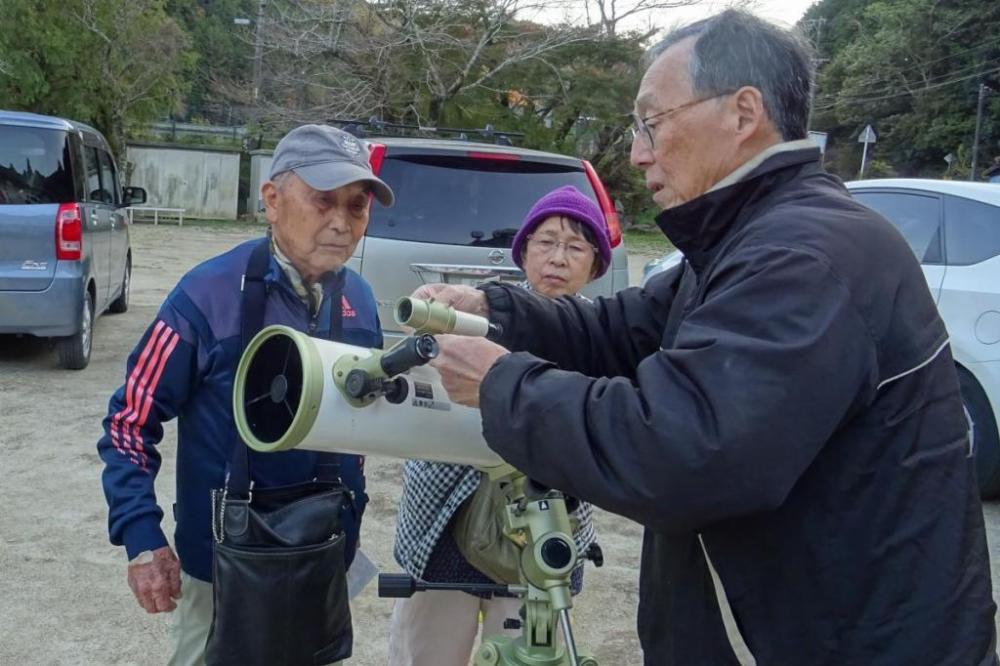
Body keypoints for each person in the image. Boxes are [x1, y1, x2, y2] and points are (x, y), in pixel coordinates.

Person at [411, 10, 998, 666]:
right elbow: (618, 328)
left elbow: (683, 448)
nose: (637, 151)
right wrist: (495, 310)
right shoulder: (751, 240)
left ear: (743, 113)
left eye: (651, 122)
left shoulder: (806, 255)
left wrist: (500, 383)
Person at [96, 124, 394, 666]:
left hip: (321, 563)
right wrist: (143, 537)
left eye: (357, 205)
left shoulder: (363, 303)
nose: (342, 222)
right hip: (219, 572)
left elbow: (364, 424)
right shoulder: (206, 295)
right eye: (324, 200)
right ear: (273, 201)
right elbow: (128, 424)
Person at [388, 185, 606, 665]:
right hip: (446, 516)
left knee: (530, 648)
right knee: (427, 651)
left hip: (544, 525)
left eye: (575, 247)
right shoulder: (477, 307)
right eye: (546, 242)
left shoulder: (604, 337)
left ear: (595, 264)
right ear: (523, 251)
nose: (558, 258)